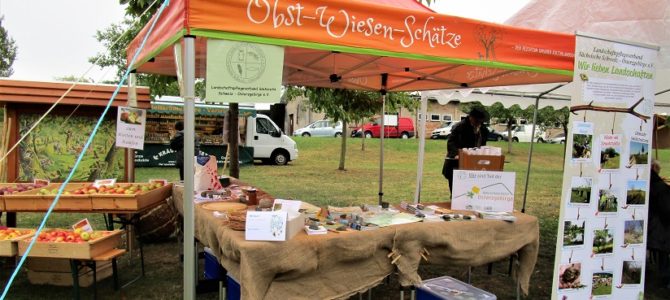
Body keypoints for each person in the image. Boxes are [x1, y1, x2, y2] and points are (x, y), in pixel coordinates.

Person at [442, 107, 490, 192]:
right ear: (471, 117)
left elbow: (482, 144)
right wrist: (457, 154)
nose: (479, 123)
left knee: (470, 191)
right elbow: (451, 142)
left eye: (480, 121)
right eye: (477, 120)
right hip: (456, 164)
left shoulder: (483, 129)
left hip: (473, 165)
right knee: (456, 192)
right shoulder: (459, 127)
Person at [648, 159, 670, 288]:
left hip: (651, 227)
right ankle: (666, 278)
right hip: (657, 229)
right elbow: (667, 210)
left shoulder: (647, 183)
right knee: (664, 248)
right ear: (655, 169)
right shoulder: (660, 187)